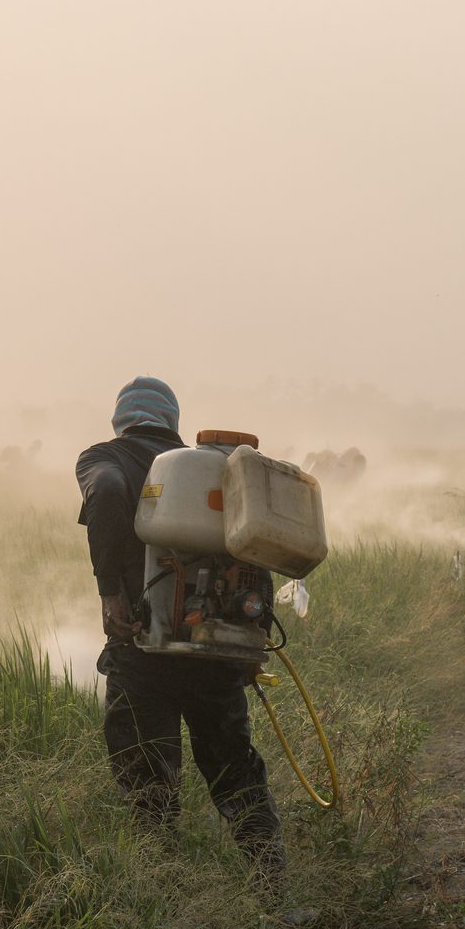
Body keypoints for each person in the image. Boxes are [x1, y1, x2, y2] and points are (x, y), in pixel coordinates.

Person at [76, 377, 287, 879]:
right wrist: (248, 646)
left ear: (121, 419)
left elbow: (105, 490)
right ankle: (274, 888)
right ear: (171, 421)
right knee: (235, 770)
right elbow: (256, 546)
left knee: (148, 780)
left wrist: (110, 592)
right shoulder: (214, 468)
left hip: (142, 648)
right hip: (213, 650)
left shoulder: (104, 457)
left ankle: (163, 894)